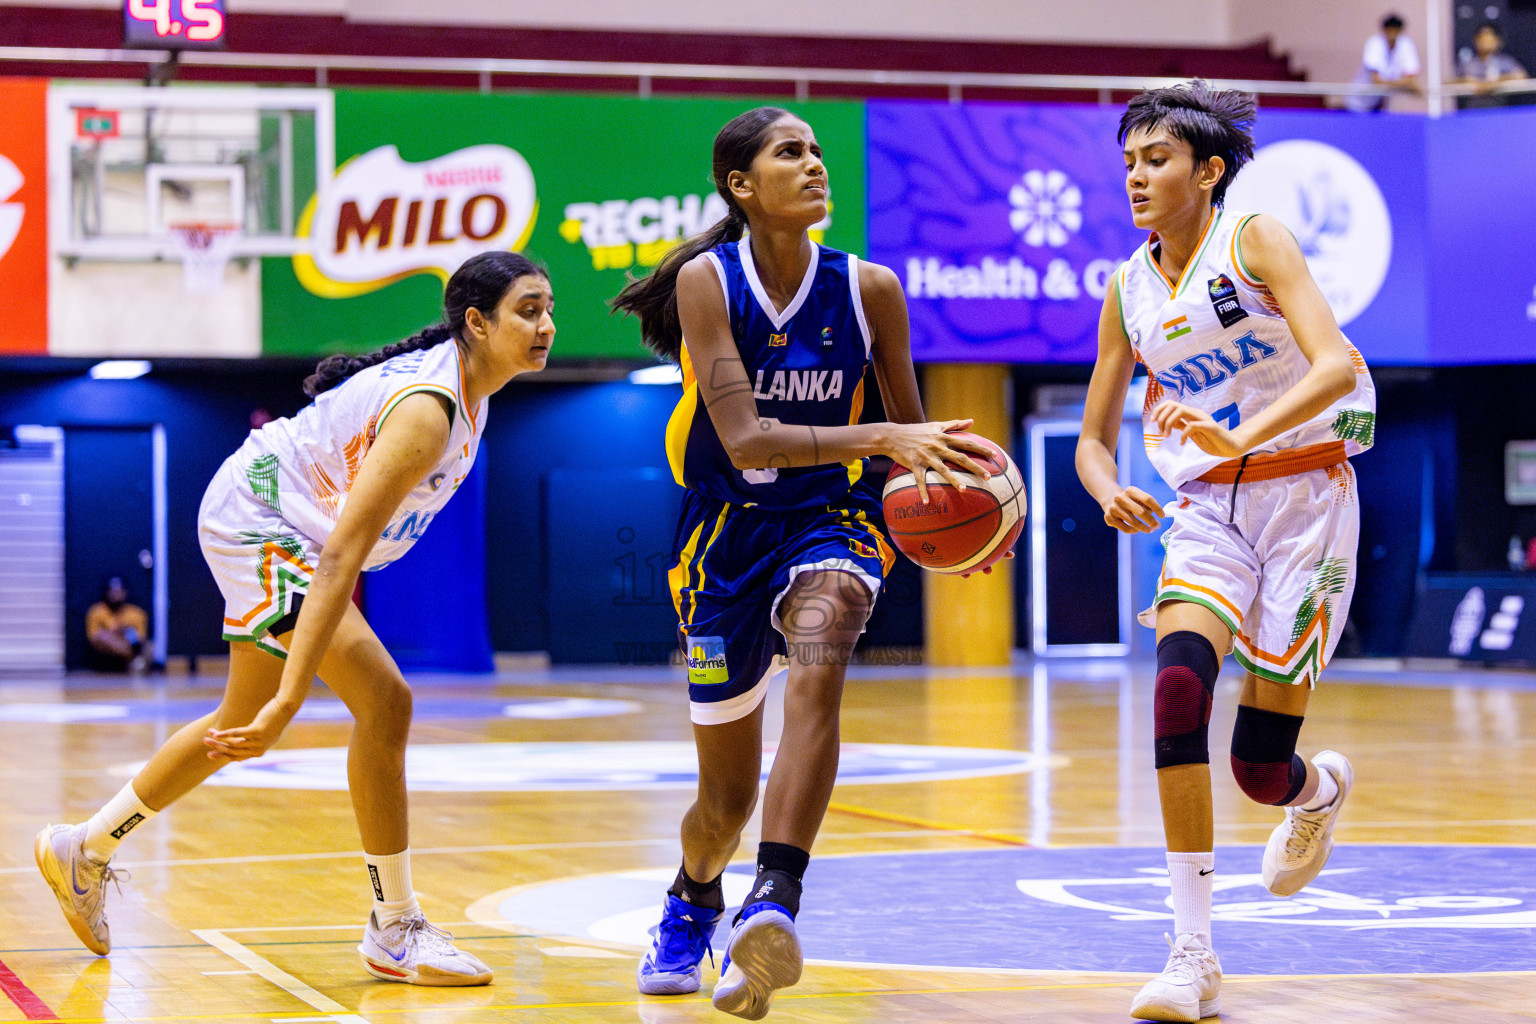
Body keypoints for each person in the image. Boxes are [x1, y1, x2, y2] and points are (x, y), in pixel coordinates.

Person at [35, 250, 555, 987]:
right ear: (476, 322)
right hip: (264, 518)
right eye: (528, 310)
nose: (546, 326)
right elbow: (340, 556)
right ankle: (394, 926)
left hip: (281, 519)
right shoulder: (427, 412)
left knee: (236, 718)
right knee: (384, 701)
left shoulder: (471, 393)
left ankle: (83, 849)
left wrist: (272, 704)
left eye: (548, 309)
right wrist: (292, 699)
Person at [612, 106, 991, 1019]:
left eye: (818, 150)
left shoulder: (872, 290)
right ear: (742, 185)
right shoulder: (710, 281)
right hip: (723, 538)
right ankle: (694, 896)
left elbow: (917, 440)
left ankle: (773, 900)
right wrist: (890, 432)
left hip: (837, 520)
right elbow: (744, 438)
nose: (815, 163)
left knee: (820, 670)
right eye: (792, 152)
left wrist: (969, 514)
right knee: (724, 799)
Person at [1077, 81, 1375, 1022]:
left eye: (1156, 159)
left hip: (1307, 494)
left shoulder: (1254, 241)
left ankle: (1317, 789)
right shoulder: (1126, 289)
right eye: (1127, 161)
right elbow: (1092, 437)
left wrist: (1236, 435)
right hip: (1208, 508)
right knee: (1174, 691)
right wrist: (1105, 485)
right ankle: (1192, 954)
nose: (1136, 175)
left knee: (1257, 768)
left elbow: (1336, 364)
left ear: (1208, 172)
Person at [1346, 13, 1420, 112]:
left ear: (1401, 31)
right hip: (1359, 102)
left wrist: (1405, 83)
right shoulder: (1374, 43)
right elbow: (1376, 80)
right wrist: (1403, 84)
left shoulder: (1406, 44)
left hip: (1380, 103)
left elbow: (1411, 79)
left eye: (1396, 30)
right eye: (1390, 30)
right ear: (1384, 30)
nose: (1392, 34)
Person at [1456, 22, 1529, 109]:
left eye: (1489, 38)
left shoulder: (1505, 61)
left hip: (1499, 110)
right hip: (1473, 111)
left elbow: (1521, 75)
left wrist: (1492, 84)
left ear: (1497, 41)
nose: (1485, 42)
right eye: (1482, 38)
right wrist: (1467, 81)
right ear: (1475, 40)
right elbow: (1450, 80)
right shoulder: (1468, 64)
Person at [85, 576, 150, 673]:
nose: (115, 595)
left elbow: (140, 639)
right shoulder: (96, 611)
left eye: (119, 591)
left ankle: (136, 665)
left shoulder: (137, 613)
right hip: (106, 652)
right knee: (103, 636)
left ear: (125, 593)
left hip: (131, 645)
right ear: (106, 592)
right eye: (112, 591)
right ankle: (134, 660)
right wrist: (115, 635)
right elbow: (94, 638)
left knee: (150, 647)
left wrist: (125, 633)